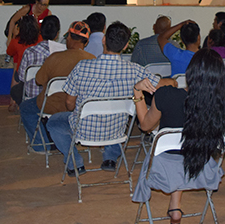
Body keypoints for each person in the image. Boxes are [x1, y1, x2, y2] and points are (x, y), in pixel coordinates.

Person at [46, 21, 162, 175]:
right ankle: (110, 158)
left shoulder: (81, 67)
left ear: (103, 39)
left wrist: (73, 110)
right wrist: (173, 81)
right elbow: (160, 84)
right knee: (116, 116)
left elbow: (69, 102)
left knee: (54, 122)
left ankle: (75, 163)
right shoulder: (135, 70)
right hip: (116, 133)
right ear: (126, 46)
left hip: (82, 131)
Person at [131, 49, 225, 224]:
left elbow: (145, 126)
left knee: (176, 150)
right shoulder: (220, 103)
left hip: (164, 168)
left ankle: (175, 206)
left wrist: (137, 91)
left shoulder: (166, 95)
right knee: (185, 145)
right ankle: (175, 206)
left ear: (190, 72)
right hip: (200, 166)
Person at [19, 21, 95, 148]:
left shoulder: (55, 57)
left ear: (68, 37)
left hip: (51, 105)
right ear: (86, 42)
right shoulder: (92, 59)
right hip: (82, 107)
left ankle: (40, 145)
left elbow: (38, 80)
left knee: (25, 107)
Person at [11, 15, 63, 107]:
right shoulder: (63, 52)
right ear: (57, 34)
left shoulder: (29, 52)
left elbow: (22, 77)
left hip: (32, 98)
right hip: (55, 98)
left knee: (15, 89)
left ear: (40, 31)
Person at [7, 16, 42, 111]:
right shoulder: (40, 39)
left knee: (16, 70)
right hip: (38, 71)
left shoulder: (16, 42)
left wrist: (14, 36)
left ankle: (14, 102)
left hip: (23, 74)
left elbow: (9, 52)